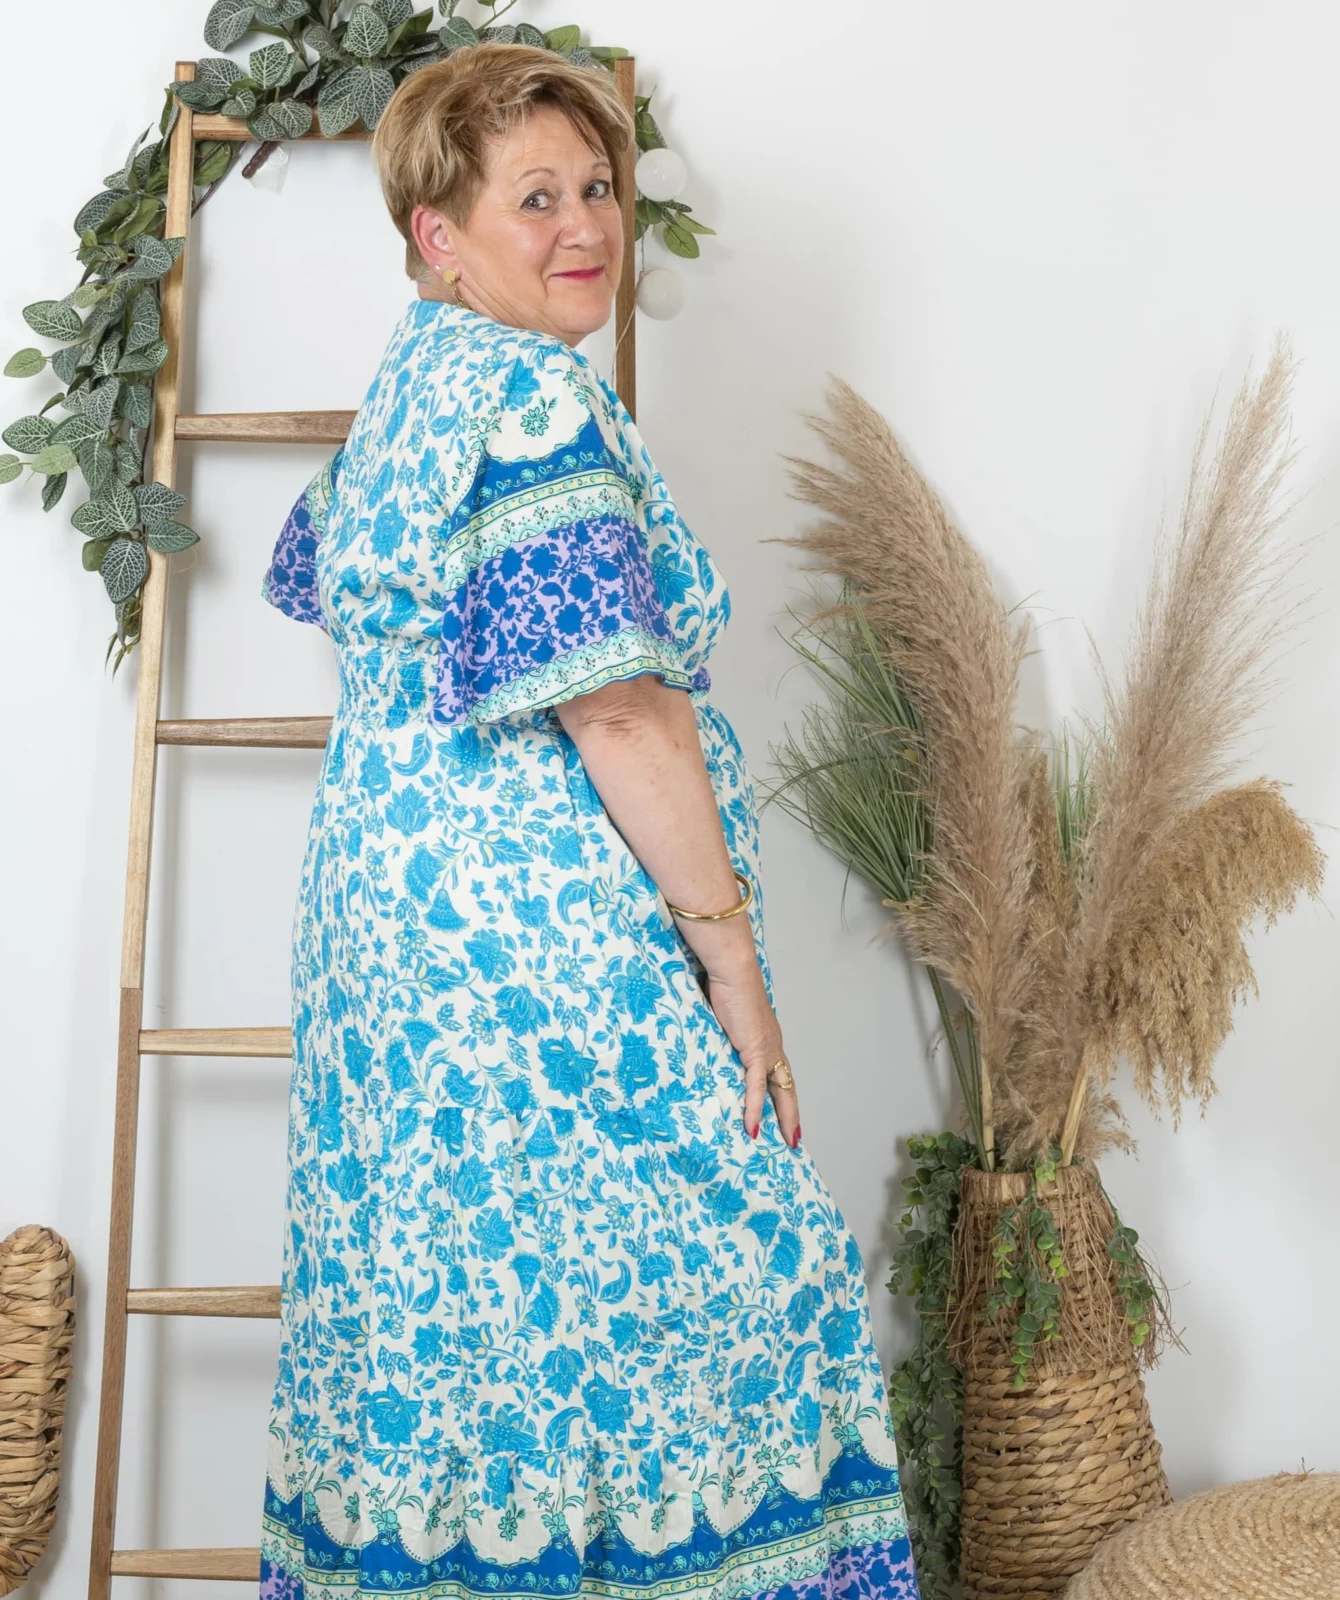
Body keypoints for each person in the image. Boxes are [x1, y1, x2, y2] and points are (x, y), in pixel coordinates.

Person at [257, 41, 918, 1600]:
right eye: (537, 197)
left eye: (600, 188)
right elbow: (616, 711)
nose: (587, 226)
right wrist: (731, 964)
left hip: (384, 933)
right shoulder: (538, 399)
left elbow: (355, 601)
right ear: (440, 236)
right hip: (529, 941)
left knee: (460, 1301)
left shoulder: (414, 387)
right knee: (722, 1264)